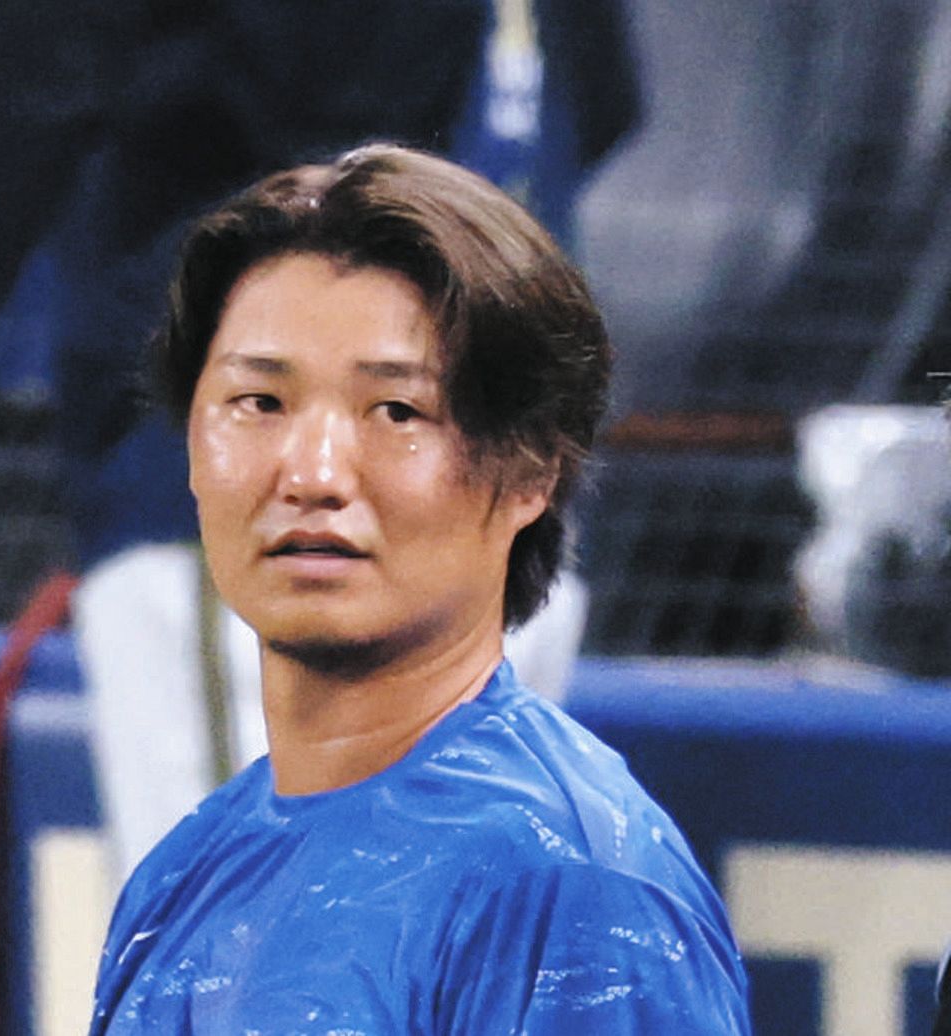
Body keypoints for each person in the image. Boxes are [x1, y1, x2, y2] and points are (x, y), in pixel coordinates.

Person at [0, 0, 641, 877]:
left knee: (260, 961)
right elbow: (604, 98)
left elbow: (22, 102)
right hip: (503, 525)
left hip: (276, 526)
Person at [89, 144, 750, 1033]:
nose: (312, 473)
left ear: (531, 472)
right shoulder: (181, 878)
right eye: (259, 403)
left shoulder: (573, 888)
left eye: (397, 412)